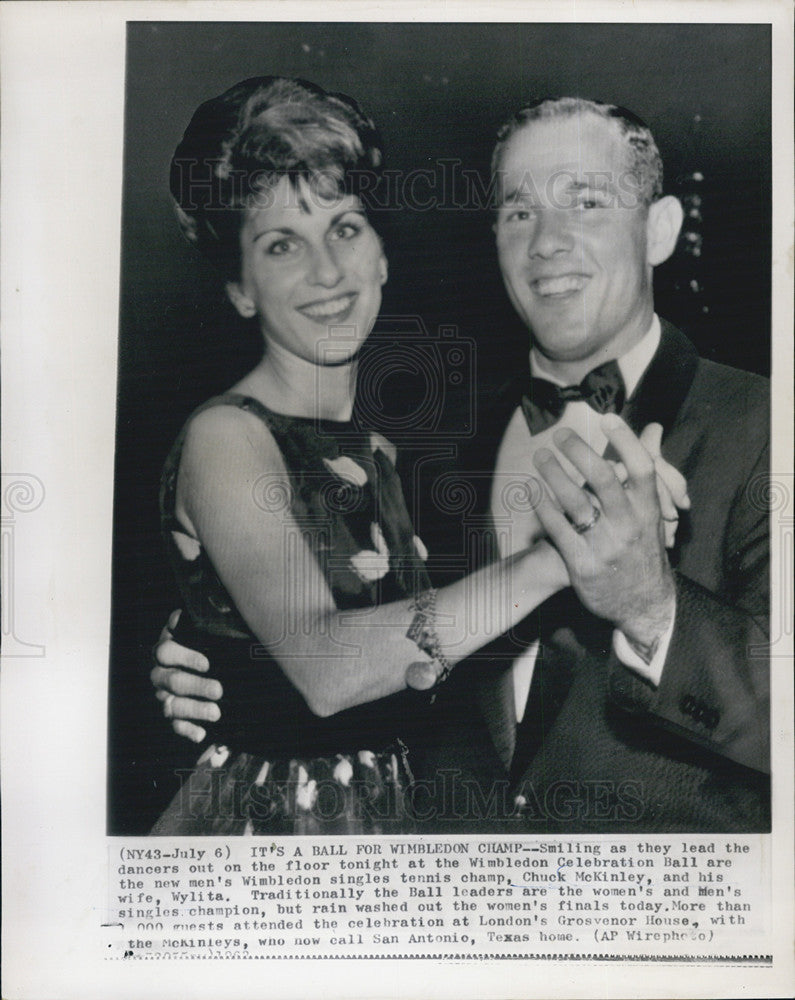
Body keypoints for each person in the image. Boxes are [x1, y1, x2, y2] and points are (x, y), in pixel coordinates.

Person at [154, 94, 767, 832]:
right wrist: (213, 651)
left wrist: (650, 607)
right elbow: (342, 642)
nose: (546, 241)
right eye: (517, 212)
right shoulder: (431, 436)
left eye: (586, 201)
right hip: (429, 889)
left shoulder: (766, 426)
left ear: (660, 230)